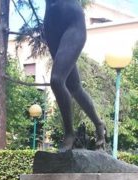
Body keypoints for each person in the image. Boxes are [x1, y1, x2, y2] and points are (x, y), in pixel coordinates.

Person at [44, 0, 106, 151]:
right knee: (74, 86)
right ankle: (99, 123)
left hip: (73, 21)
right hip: (51, 25)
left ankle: (69, 134)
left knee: (57, 80)